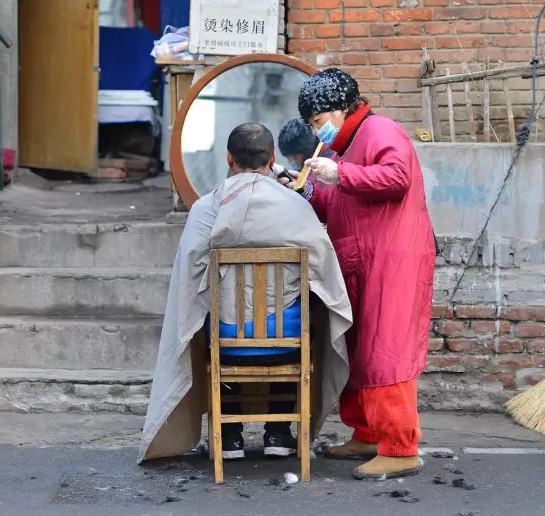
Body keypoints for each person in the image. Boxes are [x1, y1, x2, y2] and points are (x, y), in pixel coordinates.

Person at [139, 124, 352, 462]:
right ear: (273, 160)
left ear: (228, 158)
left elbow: (188, 282)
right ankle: (279, 433)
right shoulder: (297, 208)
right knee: (304, 311)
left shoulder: (205, 209)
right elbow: (327, 276)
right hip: (287, 344)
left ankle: (230, 437)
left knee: (211, 311)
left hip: (226, 342)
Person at [292, 68, 435, 480]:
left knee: (384, 351)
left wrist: (340, 175)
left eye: (318, 123)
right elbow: (336, 203)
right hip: (361, 261)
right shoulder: (345, 147)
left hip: (394, 260)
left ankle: (400, 447)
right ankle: (368, 432)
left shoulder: (380, 131)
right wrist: (305, 189)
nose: (317, 132)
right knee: (359, 349)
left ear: (339, 109)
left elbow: (397, 177)